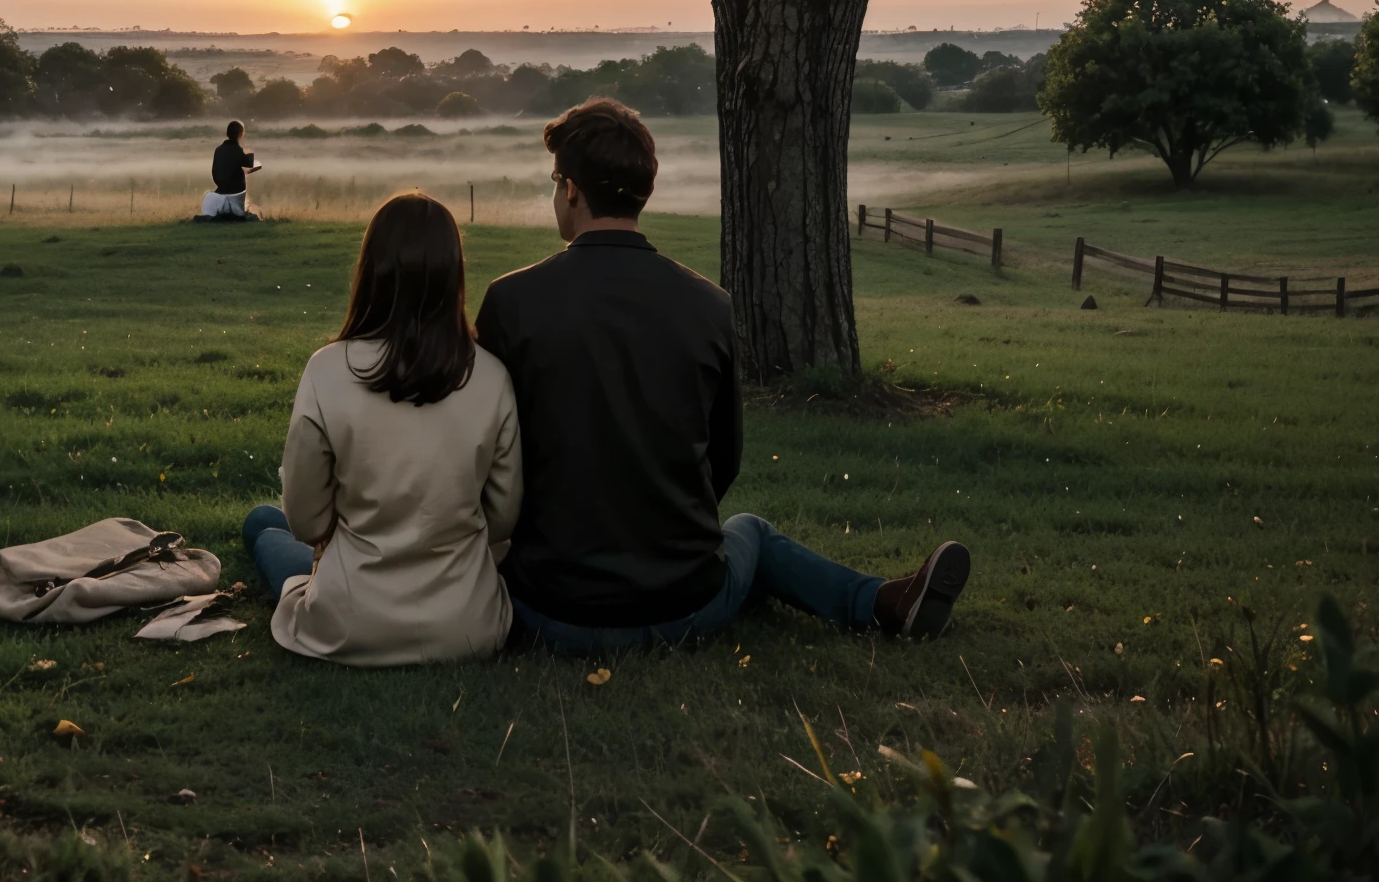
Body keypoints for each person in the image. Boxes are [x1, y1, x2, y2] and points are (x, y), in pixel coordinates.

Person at [474, 97, 970, 652]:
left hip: (549, 610)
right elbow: (723, 460)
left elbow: (492, 456)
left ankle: (879, 600)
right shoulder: (711, 305)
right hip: (687, 602)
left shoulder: (510, 301)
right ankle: (880, 603)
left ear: (570, 189)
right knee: (749, 532)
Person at [242, 192, 522, 665]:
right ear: (455, 273)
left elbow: (307, 522)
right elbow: (503, 519)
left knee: (264, 523)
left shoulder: (327, 371)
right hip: (466, 626)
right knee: (269, 524)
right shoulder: (492, 376)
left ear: (370, 270)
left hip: (350, 621)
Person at [200, 119, 258, 219]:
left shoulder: (218, 150)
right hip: (236, 192)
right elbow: (250, 164)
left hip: (220, 190)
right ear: (241, 134)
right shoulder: (238, 150)